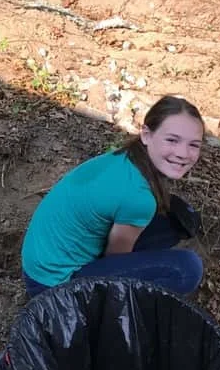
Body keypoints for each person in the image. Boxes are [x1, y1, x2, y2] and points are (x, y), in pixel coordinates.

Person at [21, 95, 205, 298]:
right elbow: (116, 258)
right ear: (146, 135)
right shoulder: (139, 198)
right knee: (188, 268)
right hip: (53, 286)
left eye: (194, 145)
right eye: (172, 140)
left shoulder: (126, 157)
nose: (183, 153)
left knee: (174, 222)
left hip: (41, 260)